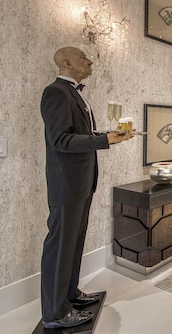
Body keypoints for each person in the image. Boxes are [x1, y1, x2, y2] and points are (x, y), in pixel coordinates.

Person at [40, 46, 132, 329]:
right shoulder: (55, 92)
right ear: (67, 62)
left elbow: (81, 135)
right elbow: (61, 141)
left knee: (74, 243)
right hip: (66, 185)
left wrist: (107, 135)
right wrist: (105, 141)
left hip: (81, 183)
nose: (90, 61)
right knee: (60, 248)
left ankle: (70, 295)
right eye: (83, 57)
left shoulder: (75, 94)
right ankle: (55, 313)